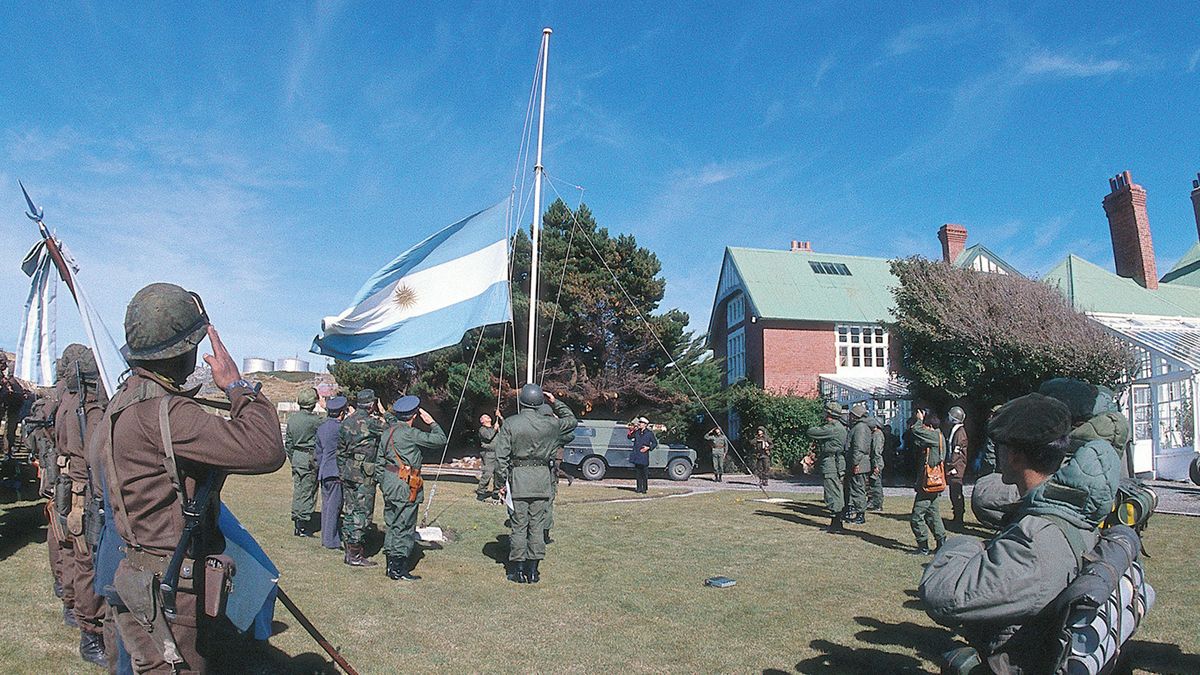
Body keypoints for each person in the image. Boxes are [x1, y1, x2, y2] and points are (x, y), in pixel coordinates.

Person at [98, 282, 285, 673]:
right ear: (184, 351)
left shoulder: (122, 403)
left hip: (140, 578)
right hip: (174, 589)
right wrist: (236, 386)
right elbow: (266, 448)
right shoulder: (167, 414)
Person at [920, 393, 1100, 673]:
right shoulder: (1074, 510)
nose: (997, 454)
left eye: (1000, 447)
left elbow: (942, 596)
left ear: (1014, 456)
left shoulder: (1033, 542)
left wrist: (967, 545)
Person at [56, 344, 110, 666]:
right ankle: (91, 636)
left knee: (78, 557)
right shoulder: (87, 409)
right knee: (88, 562)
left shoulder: (68, 402)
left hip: (72, 489)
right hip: (83, 493)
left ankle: (76, 609)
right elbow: (95, 456)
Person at [494, 384, 577, 583]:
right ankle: (533, 570)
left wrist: (500, 483)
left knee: (519, 526)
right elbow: (572, 421)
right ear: (541, 401)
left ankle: (518, 569)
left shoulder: (511, 424)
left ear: (521, 402)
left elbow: (501, 458)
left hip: (519, 479)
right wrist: (555, 402)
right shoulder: (550, 425)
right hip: (541, 480)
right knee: (537, 526)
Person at [377, 396, 446, 581]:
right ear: (414, 415)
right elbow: (440, 440)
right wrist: (431, 422)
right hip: (406, 484)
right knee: (405, 525)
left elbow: (379, 462)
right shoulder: (410, 433)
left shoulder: (387, 432)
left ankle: (390, 564)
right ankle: (398, 569)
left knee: (392, 523)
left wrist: (383, 482)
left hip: (390, 482)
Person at [337, 389, 390, 568]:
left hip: (348, 472)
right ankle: (355, 555)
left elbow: (340, 452)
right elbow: (392, 430)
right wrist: (385, 413)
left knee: (350, 510)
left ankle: (349, 550)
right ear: (372, 404)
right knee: (362, 514)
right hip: (364, 475)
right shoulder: (371, 423)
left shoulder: (346, 422)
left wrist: (342, 472)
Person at [908, 409, 946, 555]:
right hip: (935, 483)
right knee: (933, 514)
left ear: (928, 425)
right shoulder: (939, 436)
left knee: (917, 517)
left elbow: (916, 431)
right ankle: (941, 542)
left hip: (928, 483)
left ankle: (923, 546)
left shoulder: (933, 435)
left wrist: (919, 419)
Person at [286, 388, 322, 537]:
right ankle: (303, 525)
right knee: (308, 490)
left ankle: (297, 520)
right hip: (309, 457)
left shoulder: (292, 419)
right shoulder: (315, 420)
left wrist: (293, 457)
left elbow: (288, 443)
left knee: (299, 489)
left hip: (297, 457)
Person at [806, 402, 848, 533]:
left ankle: (836, 524)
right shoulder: (840, 426)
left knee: (832, 492)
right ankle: (837, 522)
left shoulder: (832, 428)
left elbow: (811, 432)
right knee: (837, 491)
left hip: (831, 462)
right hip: (837, 461)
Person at [315, 395, 348, 551]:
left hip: (324, 471)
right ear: (341, 413)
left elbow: (319, 453)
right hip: (336, 472)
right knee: (334, 507)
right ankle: (331, 541)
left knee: (327, 506)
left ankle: (326, 537)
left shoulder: (322, 427)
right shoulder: (341, 428)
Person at [844, 403, 871, 524]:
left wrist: (855, 463)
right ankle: (856, 511)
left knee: (858, 489)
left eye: (852, 415)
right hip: (859, 462)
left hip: (859, 463)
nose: (850, 417)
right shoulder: (861, 427)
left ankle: (860, 514)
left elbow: (858, 448)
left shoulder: (860, 428)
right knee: (855, 488)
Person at [0, 352, 27, 457]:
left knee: (11, 429)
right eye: (3, 363)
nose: (5, 366)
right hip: (8, 406)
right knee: (10, 429)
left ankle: (8, 451)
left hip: (10, 407)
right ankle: (7, 451)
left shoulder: (11, 382)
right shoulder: (9, 381)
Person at [945, 406, 968, 524]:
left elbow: (956, 451)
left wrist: (951, 465)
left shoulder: (960, 433)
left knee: (956, 492)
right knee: (953, 492)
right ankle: (957, 515)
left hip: (957, 467)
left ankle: (958, 517)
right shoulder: (956, 430)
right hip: (955, 466)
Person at [626, 416, 657, 494]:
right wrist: (631, 429)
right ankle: (639, 488)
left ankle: (644, 489)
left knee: (644, 474)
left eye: (641, 423)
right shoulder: (637, 432)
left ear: (645, 424)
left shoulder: (649, 433)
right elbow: (629, 437)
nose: (639, 424)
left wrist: (648, 448)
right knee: (638, 474)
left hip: (644, 455)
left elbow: (655, 443)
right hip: (637, 454)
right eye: (639, 423)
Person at [476, 411, 501, 501]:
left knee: (498, 474)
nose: (488, 417)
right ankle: (481, 492)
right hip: (488, 454)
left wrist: (500, 417)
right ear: (482, 421)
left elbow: (504, 430)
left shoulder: (494, 428)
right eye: (485, 417)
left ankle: (496, 492)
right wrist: (495, 428)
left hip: (498, 453)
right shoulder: (482, 429)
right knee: (488, 473)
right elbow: (488, 437)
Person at [865, 415, 885, 511]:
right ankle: (872, 501)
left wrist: (877, 465)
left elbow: (876, 451)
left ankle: (877, 504)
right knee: (872, 483)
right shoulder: (875, 434)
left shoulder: (877, 434)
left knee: (876, 483)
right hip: (874, 460)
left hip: (876, 461)